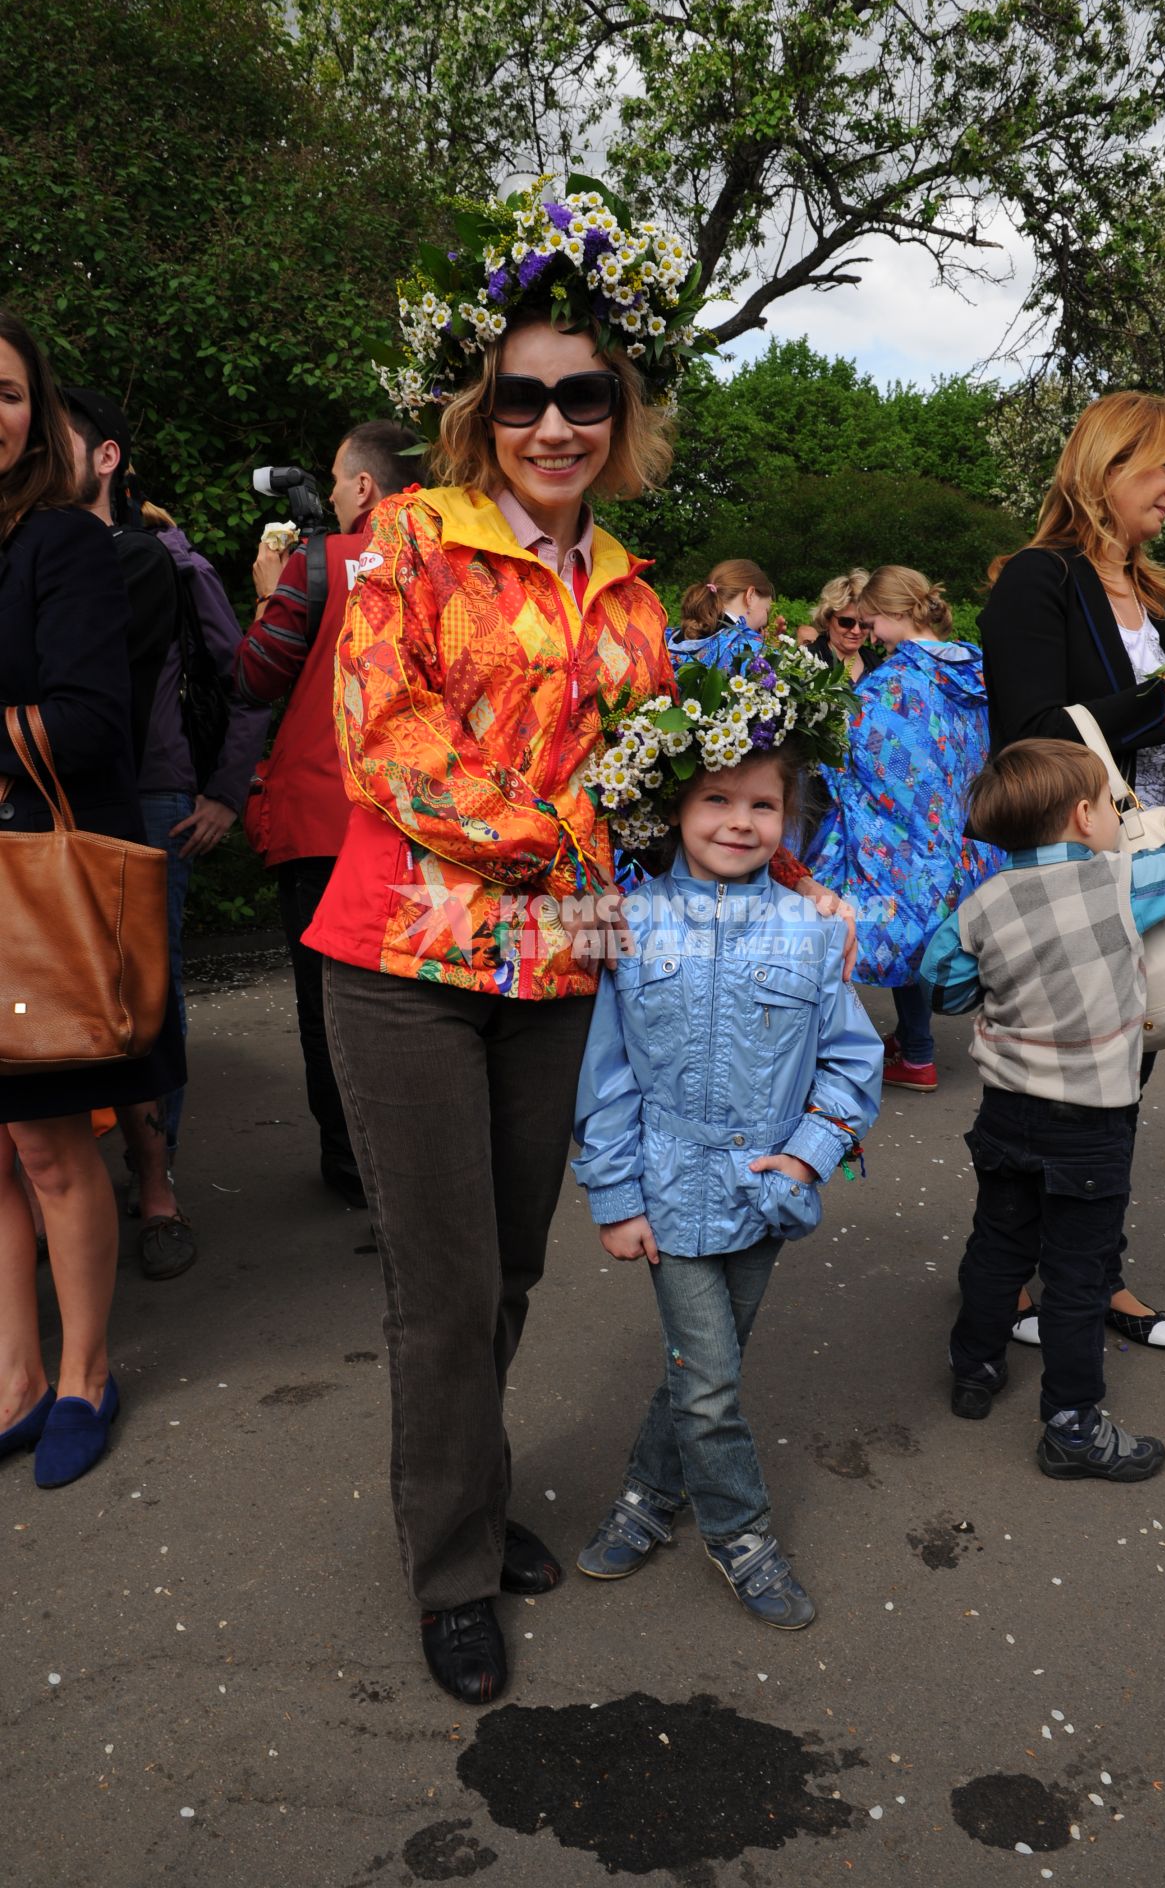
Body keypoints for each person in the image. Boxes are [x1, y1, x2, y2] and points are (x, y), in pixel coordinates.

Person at [301, 177, 852, 1704]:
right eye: (526, 395)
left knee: (517, 1275)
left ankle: (470, 1503)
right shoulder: (408, 535)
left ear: (622, 409)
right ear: (487, 406)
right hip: (405, 962)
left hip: (562, 968)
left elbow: (677, 781)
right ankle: (450, 1567)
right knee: (445, 1284)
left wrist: (779, 869)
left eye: (584, 396)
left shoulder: (630, 595)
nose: (555, 423)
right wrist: (563, 832)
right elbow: (386, 748)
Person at [571, 679, 883, 1629]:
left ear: (789, 821)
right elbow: (606, 1078)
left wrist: (803, 1160)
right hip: (666, 1189)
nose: (740, 821)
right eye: (717, 799)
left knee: (698, 1371)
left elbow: (852, 1060)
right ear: (676, 808)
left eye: (763, 805)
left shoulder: (816, 927)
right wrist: (616, 1198)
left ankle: (643, 1497)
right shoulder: (625, 922)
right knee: (708, 1383)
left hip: (765, 1199)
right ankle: (741, 1535)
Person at [923, 735, 1165, 1479]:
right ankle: (1070, 1426)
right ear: (1084, 815)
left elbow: (949, 989)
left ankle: (973, 1369)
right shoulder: (1118, 884)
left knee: (997, 1245)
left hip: (1004, 1114)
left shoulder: (981, 904)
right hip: (1089, 1124)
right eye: (1115, 808)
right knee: (1078, 1273)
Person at [980, 390, 1165, 1348]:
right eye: (1163, 468)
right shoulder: (1036, 580)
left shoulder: (1147, 596)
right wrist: (1164, 691)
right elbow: (1032, 737)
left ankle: (1089, 1275)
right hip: (1070, 869)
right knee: (1059, 1084)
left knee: (1125, 1073)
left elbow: (1148, 739)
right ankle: (1010, 1282)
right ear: (1104, 465)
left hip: (1149, 857)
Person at [0, 309, 183, 1486]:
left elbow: (92, 723)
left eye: (9, 392)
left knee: (56, 1153)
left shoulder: (57, 545)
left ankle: (86, 1373)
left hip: (28, 889)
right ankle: (14, 1379)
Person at [66, 389, 267, 1278]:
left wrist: (223, 793)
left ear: (106, 457)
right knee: (55, 990)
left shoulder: (171, 565)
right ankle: (61, 1178)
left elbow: (247, 681)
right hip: (43, 795)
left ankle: (155, 1184)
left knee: (146, 992)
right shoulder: (27, 557)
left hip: (152, 799)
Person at [235, 421, 425, 1211]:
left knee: (329, 1005)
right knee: (421, 1003)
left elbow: (252, 677)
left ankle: (353, 1172)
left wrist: (267, 591)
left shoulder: (327, 562)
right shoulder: (467, 562)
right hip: (430, 821)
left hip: (325, 820)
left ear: (362, 488)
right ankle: (426, 1162)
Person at [806, 564, 1002, 1091]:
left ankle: (853, 1055)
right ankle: (914, 1048)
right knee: (921, 930)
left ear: (893, 613)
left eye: (870, 622)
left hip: (894, 833)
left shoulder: (896, 679)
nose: (866, 632)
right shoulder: (973, 668)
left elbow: (851, 748)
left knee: (833, 921)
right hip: (953, 832)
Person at [667, 559, 774, 673]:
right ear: (750, 596)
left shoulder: (666, 638)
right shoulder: (748, 649)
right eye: (767, 611)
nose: (764, 626)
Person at [808, 569, 879, 681]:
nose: (856, 631)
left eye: (864, 624)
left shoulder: (877, 663)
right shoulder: (807, 659)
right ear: (827, 620)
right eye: (846, 622)